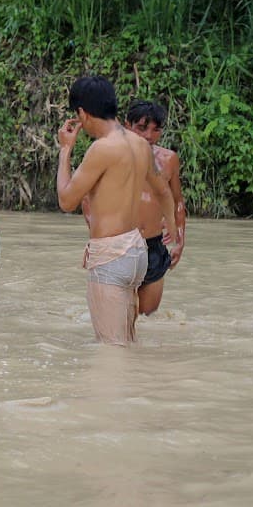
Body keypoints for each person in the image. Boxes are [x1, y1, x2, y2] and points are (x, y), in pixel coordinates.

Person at [57, 76, 178, 344]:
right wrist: (173, 229)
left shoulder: (102, 149)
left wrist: (65, 151)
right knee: (127, 340)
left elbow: (66, 201)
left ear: (82, 114)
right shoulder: (140, 145)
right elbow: (163, 191)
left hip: (110, 254)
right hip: (137, 252)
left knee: (111, 349)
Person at [124, 99, 186, 314]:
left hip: (154, 245)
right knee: (120, 319)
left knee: (147, 316)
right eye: (141, 128)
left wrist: (180, 239)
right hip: (119, 244)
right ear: (127, 126)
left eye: (155, 130)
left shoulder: (169, 159)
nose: (149, 136)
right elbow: (88, 201)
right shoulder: (110, 156)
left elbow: (177, 200)